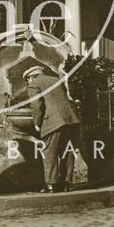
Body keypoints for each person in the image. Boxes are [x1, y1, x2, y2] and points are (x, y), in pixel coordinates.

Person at [26, 61, 81, 193]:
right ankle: (67, 184)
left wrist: (37, 123)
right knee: (68, 152)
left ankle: (51, 184)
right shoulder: (56, 79)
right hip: (71, 120)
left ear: (31, 77)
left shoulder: (34, 84)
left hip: (53, 122)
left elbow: (36, 105)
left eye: (27, 80)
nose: (28, 83)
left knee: (49, 153)